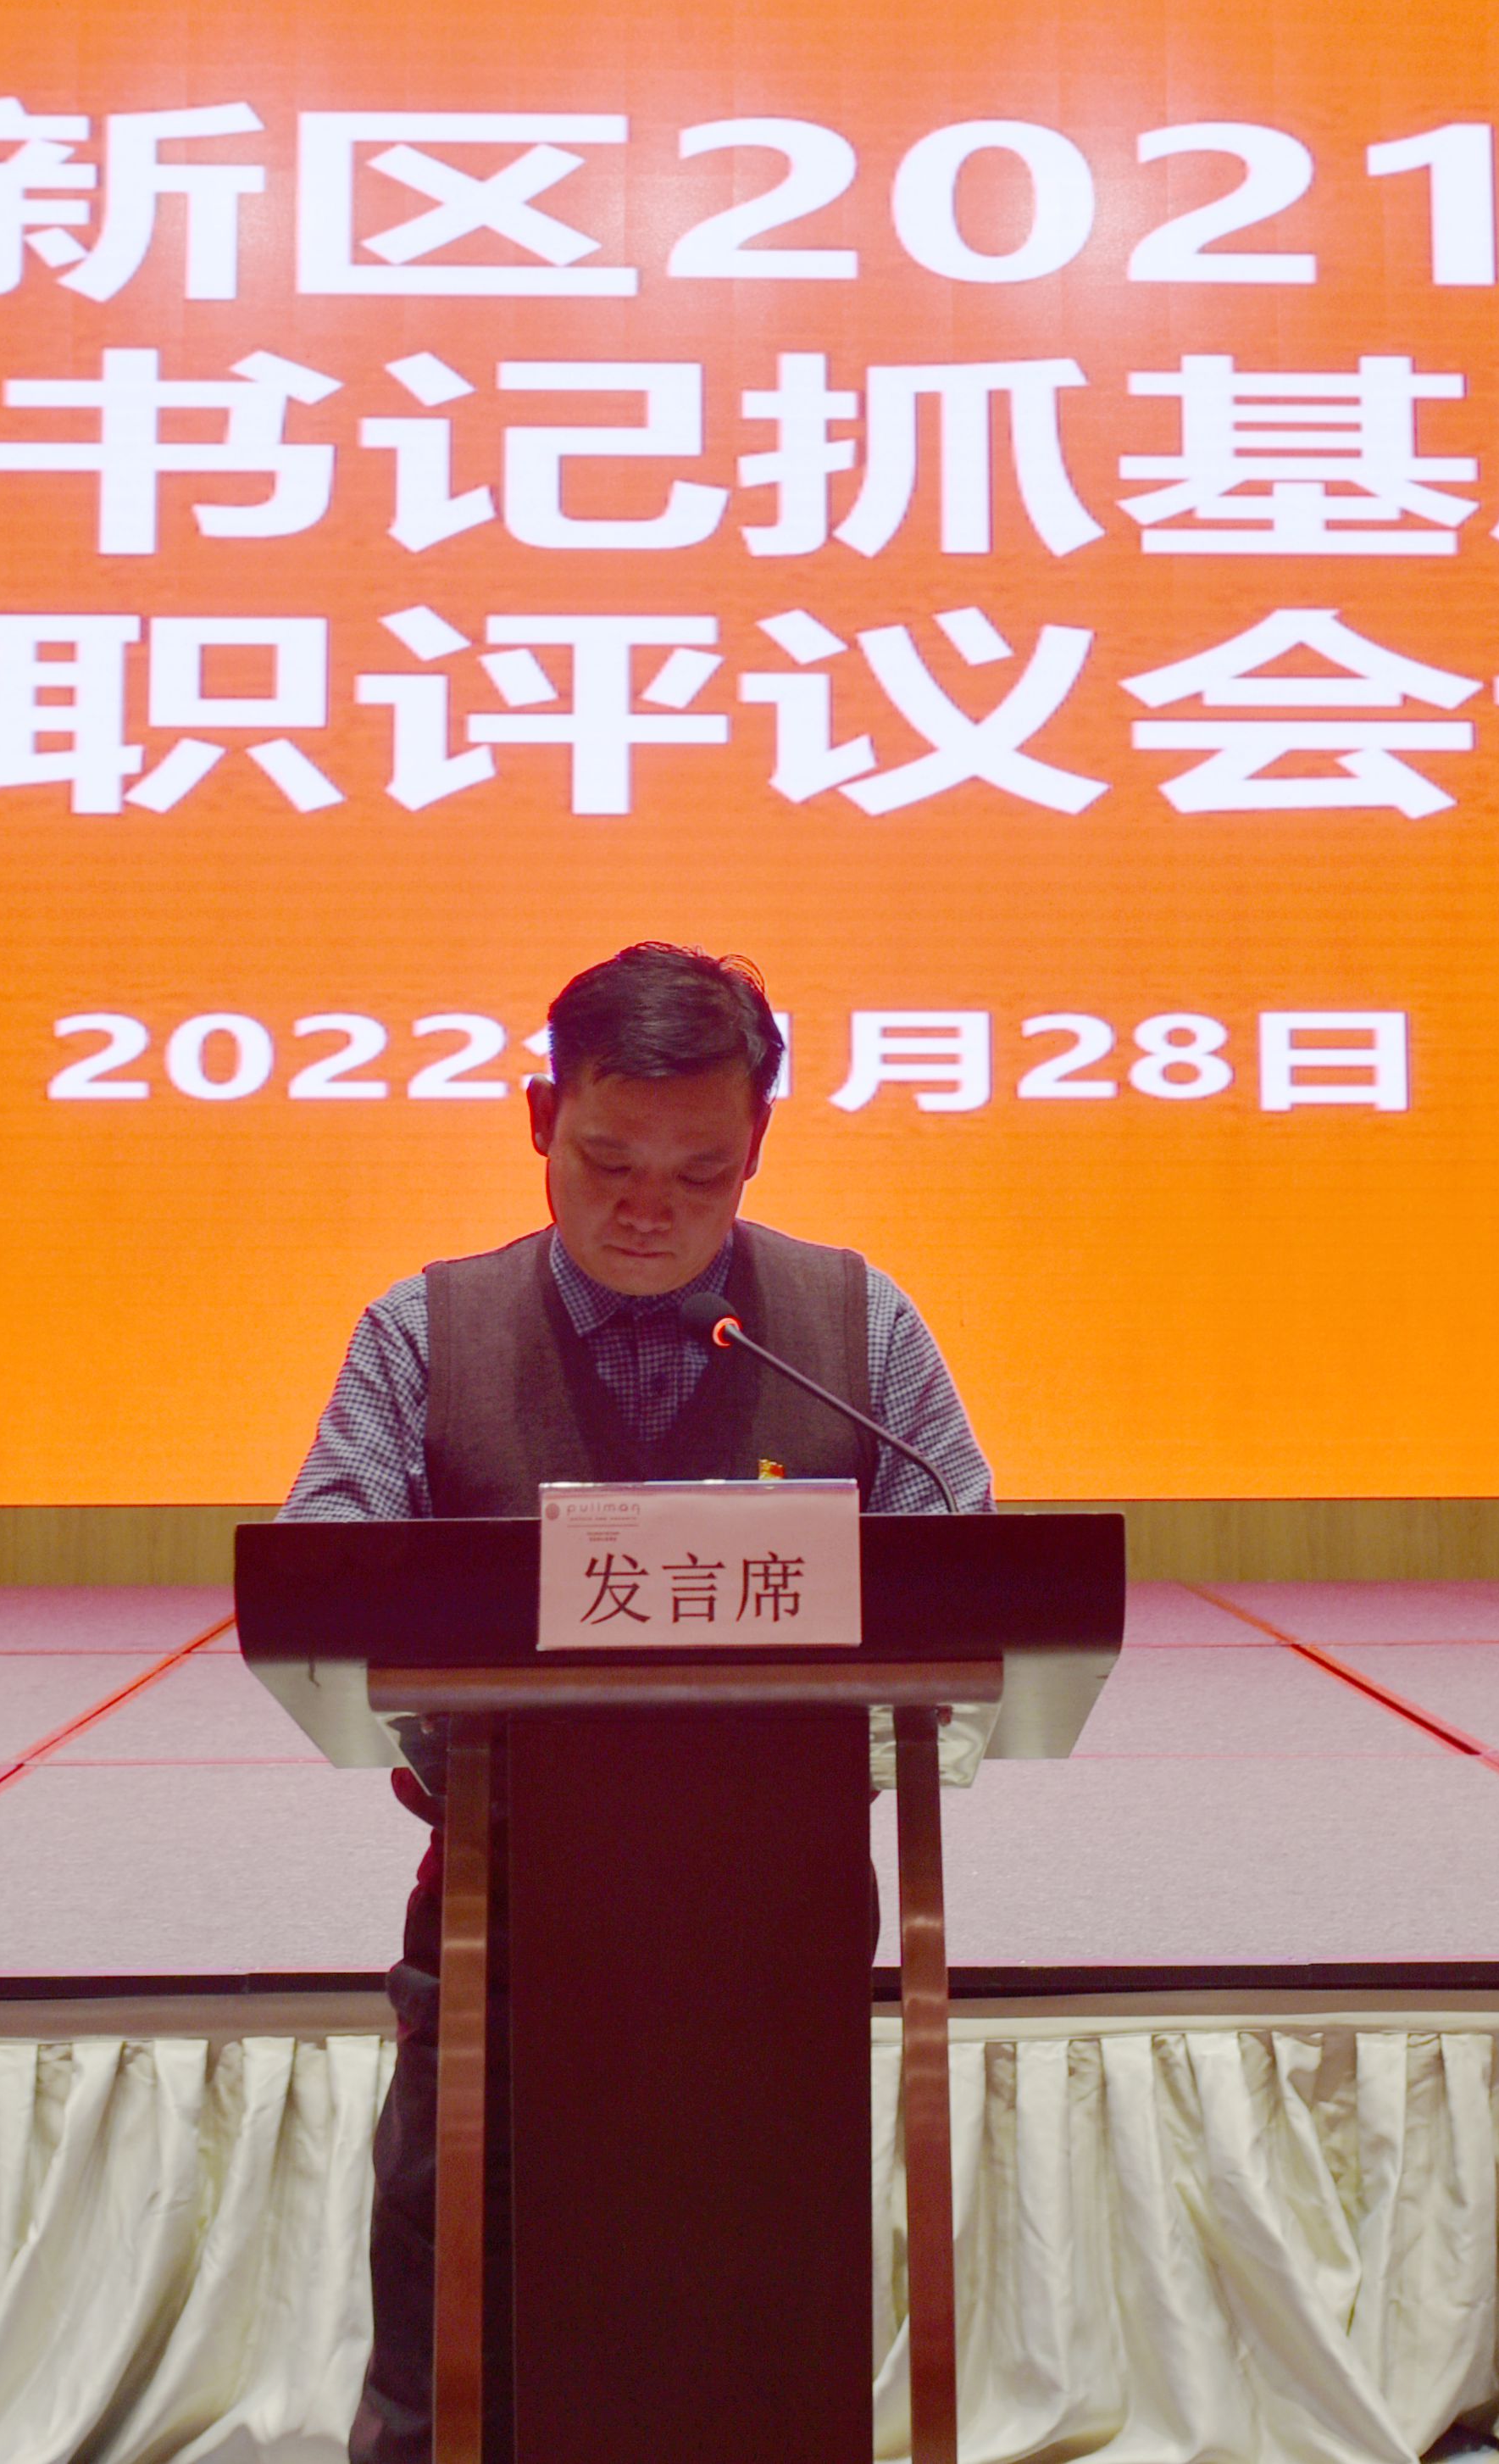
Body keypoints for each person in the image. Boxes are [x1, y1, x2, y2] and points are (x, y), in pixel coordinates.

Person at [280, 940, 992, 2464]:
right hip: (504, 1926)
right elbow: (324, 1574)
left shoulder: (856, 1327)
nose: (649, 1207)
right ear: (541, 1120)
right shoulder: (425, 1332)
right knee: (462, 2342)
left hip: (776, 1935)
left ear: (759, 1145)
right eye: (607, 1160)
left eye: (700, 1171)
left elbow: (971, 1576)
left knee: (756, 2333)